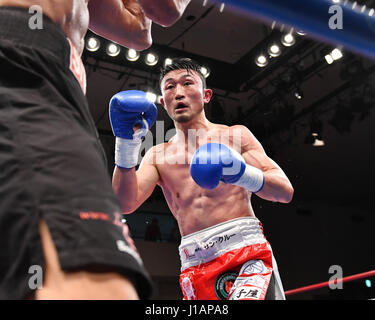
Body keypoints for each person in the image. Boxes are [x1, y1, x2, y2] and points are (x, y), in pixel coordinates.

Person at [0, 0, 191, 300]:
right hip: (25, 64)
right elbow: (167, 8)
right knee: (100, 289)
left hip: (32, 64)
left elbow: (139, 29)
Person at [110, 58, 294, 300]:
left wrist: (242, 174)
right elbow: (125, 204)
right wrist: (125, 146)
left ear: (206, 95)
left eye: (187, 83)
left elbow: (284, 191)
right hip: (195, 262)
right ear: (163, 102)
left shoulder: (235, 136)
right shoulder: (157, 154)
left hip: (246, 253)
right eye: (169, 87)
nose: (178, 93)